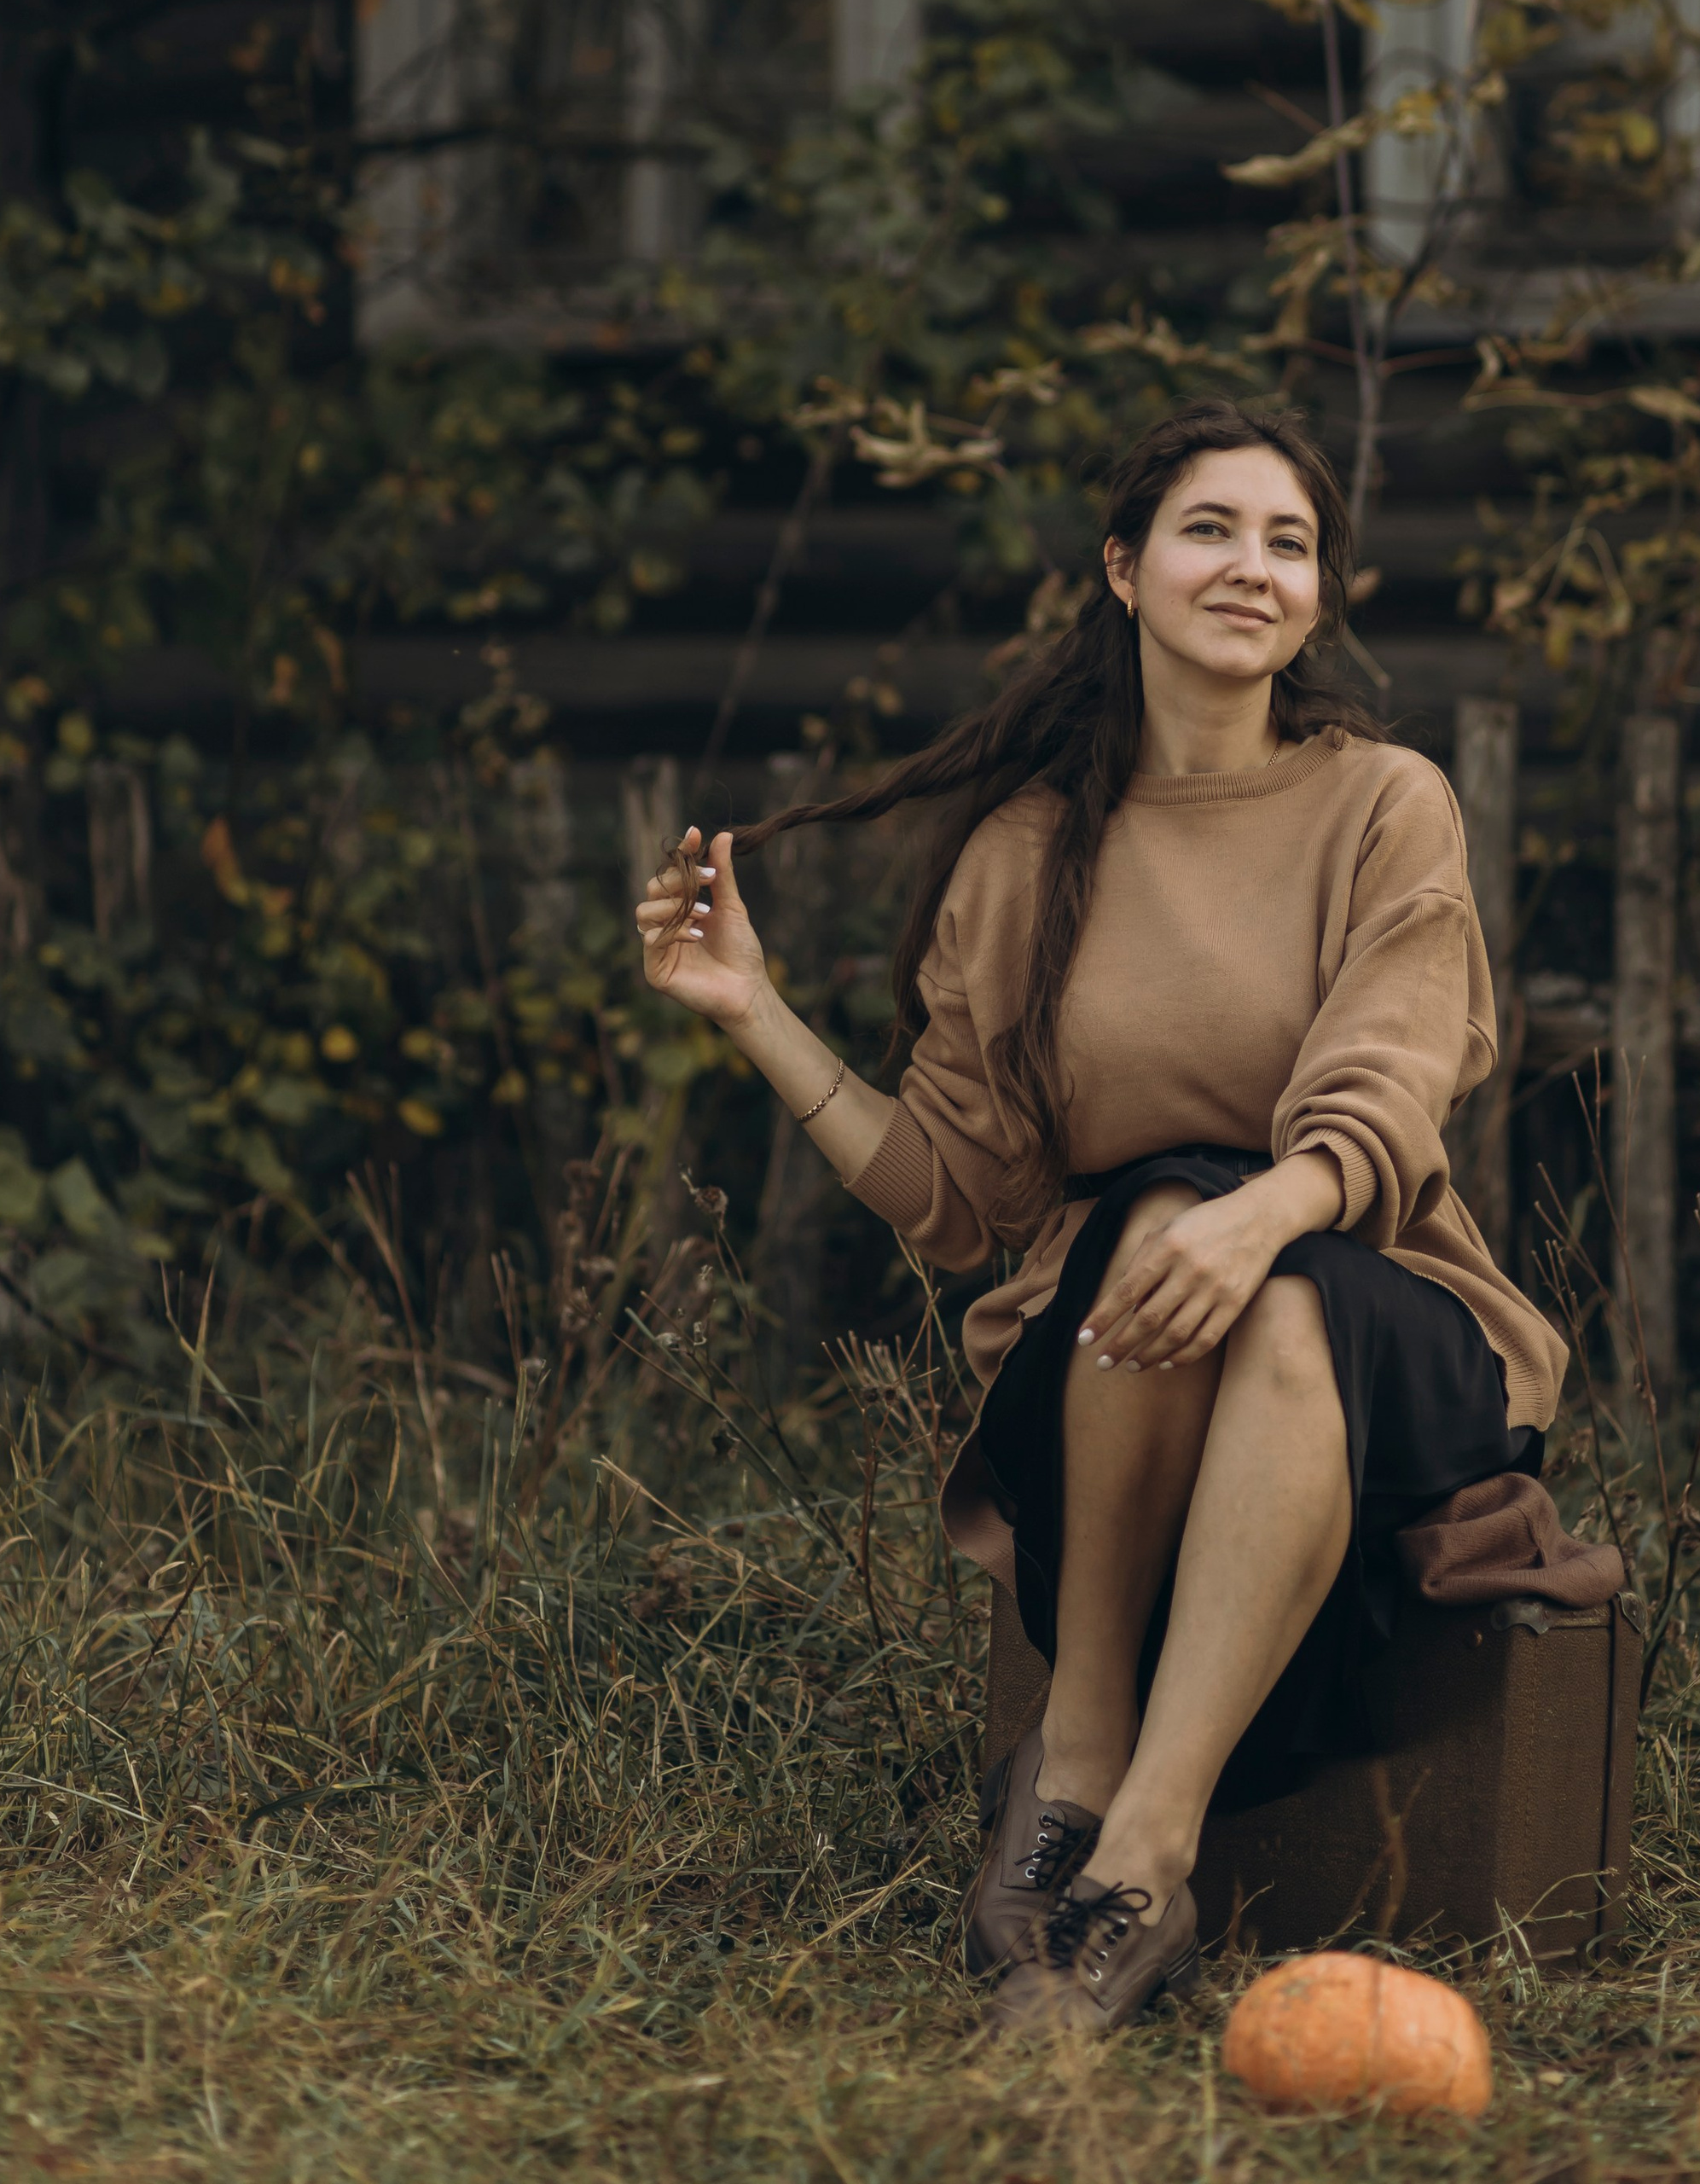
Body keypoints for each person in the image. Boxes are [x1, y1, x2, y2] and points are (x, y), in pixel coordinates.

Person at [635, 396, 1566, 2037]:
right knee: (1158, 1226)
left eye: (1290, 543)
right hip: (1125, 1356)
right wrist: (759, 1017)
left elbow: (1391, 1082)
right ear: (1125, 571)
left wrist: (1254, 1216)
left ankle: (1135, 1836)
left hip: (1389, 1327)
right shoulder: (1026, 853)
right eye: (1213, 529)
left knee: (1257, 1269)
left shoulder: (1384, 803)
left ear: (1321, 597)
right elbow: (959, 1198)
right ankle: (1085, 1766)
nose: (1253, 568)